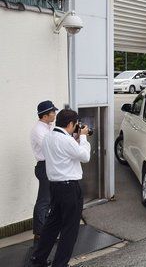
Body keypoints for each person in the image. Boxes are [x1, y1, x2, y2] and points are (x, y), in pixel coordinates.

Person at [31, 109, 91, 267]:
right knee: (69, 230)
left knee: (52, 226)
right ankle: (60, 264)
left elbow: (64, 152)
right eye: (76, 124)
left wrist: (75, 138)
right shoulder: (66, 141)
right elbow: (85, 156)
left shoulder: (48, 137)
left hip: (55, 187)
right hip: (70, 188)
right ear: (71, 124)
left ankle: (38, 260)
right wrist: (83, 137)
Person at [30, 101, 58, 243]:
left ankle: (45, 230)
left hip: (50, 165)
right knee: (44, 200)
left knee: (51, 199)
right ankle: (39, 234)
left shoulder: (49, 126)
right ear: (46, 115)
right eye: (53, 112)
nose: (55, 114)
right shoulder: (38, 130)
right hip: (44, 166)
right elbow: (49, 147)